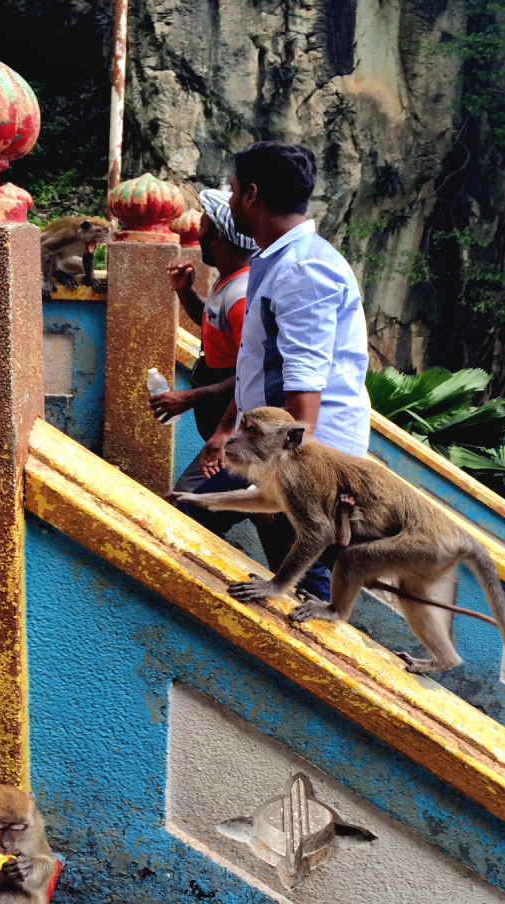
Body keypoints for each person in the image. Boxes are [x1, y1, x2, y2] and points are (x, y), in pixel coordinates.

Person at [176, 141, 370, 600]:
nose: (230, 195)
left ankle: (324, 654)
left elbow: (304, 392)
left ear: (251, 195)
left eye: (234, 187)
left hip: (304, 452)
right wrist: (228, 431)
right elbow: (257, 369)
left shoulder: (302, 269)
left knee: (306, 569)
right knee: (193, 513)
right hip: (276, 444)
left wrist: (282, 476)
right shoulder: (279, 260)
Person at [149, 189, 255, 493]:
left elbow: (251, 374)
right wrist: (186, 291)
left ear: (218, 236)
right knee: (254, 510)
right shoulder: (229, 280)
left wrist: (190, 398)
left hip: (237, 431)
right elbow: (212, 324)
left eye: (204, 224)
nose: (198, 230)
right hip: (229, 428)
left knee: (188, 505)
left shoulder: (241, 297)